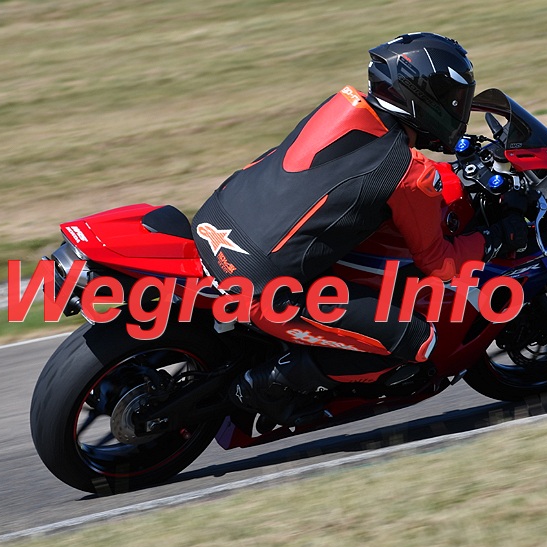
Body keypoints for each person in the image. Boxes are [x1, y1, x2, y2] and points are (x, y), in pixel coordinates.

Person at [191, 32, 528, 427]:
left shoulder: (343, 106)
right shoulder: (409, 173)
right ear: (422, 97)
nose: (459, 109)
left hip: (215, 225)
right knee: (419, 341)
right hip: (261, 287)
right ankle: (266, 384)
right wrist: (498, 237)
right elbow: (440, 266)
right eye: (453, 99)